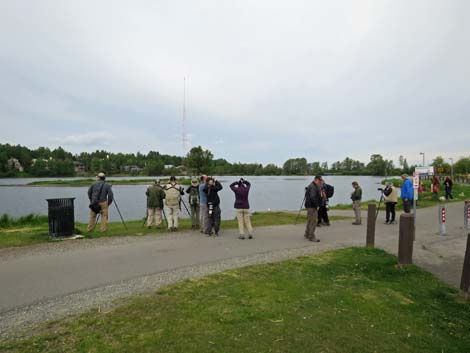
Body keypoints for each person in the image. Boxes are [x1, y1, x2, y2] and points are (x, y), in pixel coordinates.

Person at [304, 176, 323, 242]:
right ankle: (311, 236)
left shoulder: (314, 185)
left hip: (310, 206)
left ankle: (307, 234)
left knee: (310, 220)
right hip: (312, 206)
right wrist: (316, 205)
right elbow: (313, 197)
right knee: (313, 221)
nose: (320, 182)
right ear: (316, 180)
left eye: (321, 180)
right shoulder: (312, 186)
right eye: (319, 180)